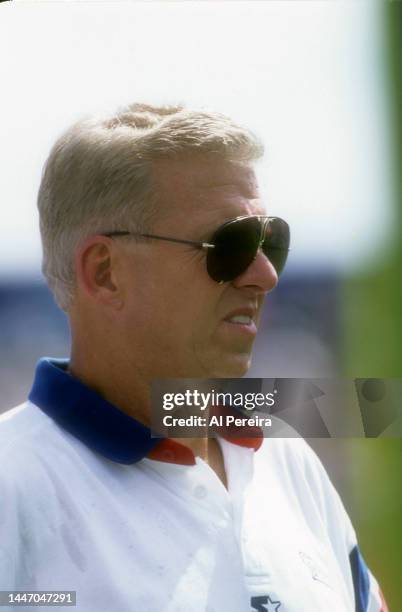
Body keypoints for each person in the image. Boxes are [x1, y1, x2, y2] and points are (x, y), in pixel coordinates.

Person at [0, 104, 388, 612]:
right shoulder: (13, 483)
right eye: (231, 245)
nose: (265, 275)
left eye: (272, 242)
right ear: (104, 272)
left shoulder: (291, 465)